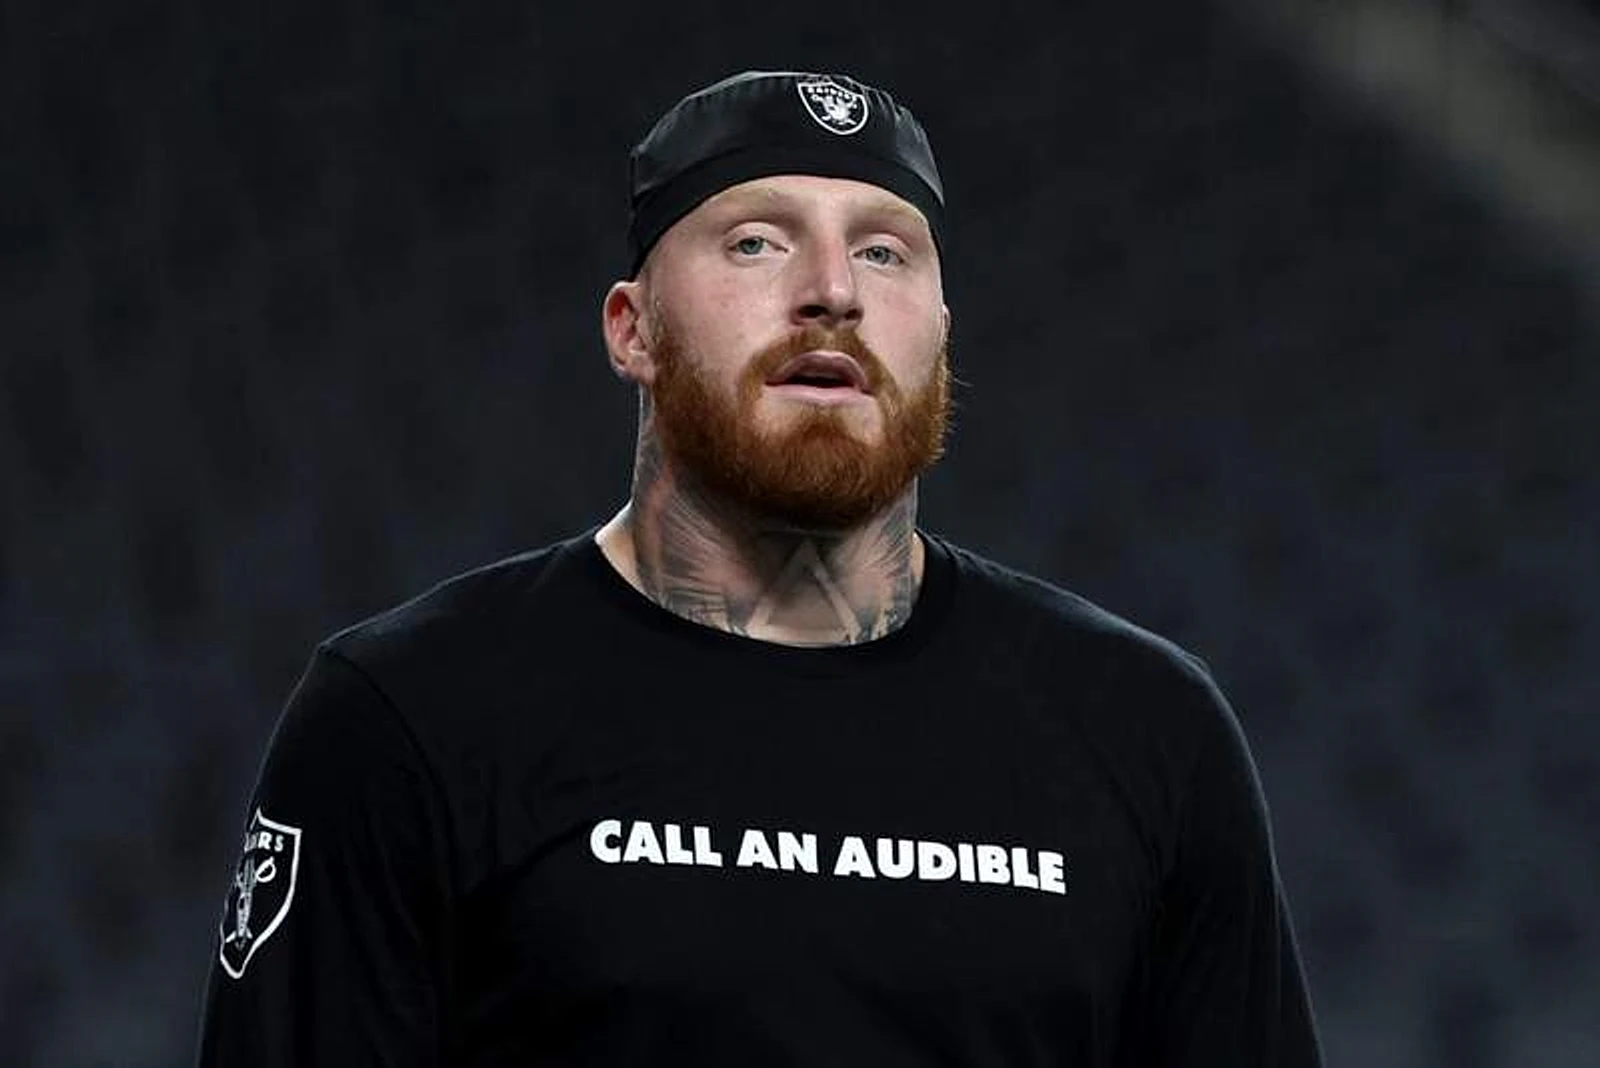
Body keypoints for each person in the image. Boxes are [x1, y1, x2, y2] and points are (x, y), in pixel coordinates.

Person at [195, 70, 1323, 1066]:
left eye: (883, 250)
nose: (833, 290)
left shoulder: (1146, 732)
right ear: (633, 329)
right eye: (756, 241)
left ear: (939, 332)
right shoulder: (411, 716)